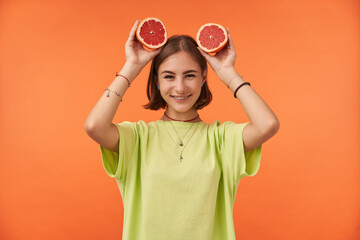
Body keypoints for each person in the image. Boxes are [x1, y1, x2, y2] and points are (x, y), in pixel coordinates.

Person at [84, 20, 279, 240]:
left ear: (204, 77)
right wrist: (132, 66)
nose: (180, 87)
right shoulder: (138, 138)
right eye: (168, 76)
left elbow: (267, 125)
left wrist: (228, 73)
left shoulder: (221, 139)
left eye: (190, 75)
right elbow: (95, 126)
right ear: (156, 80)